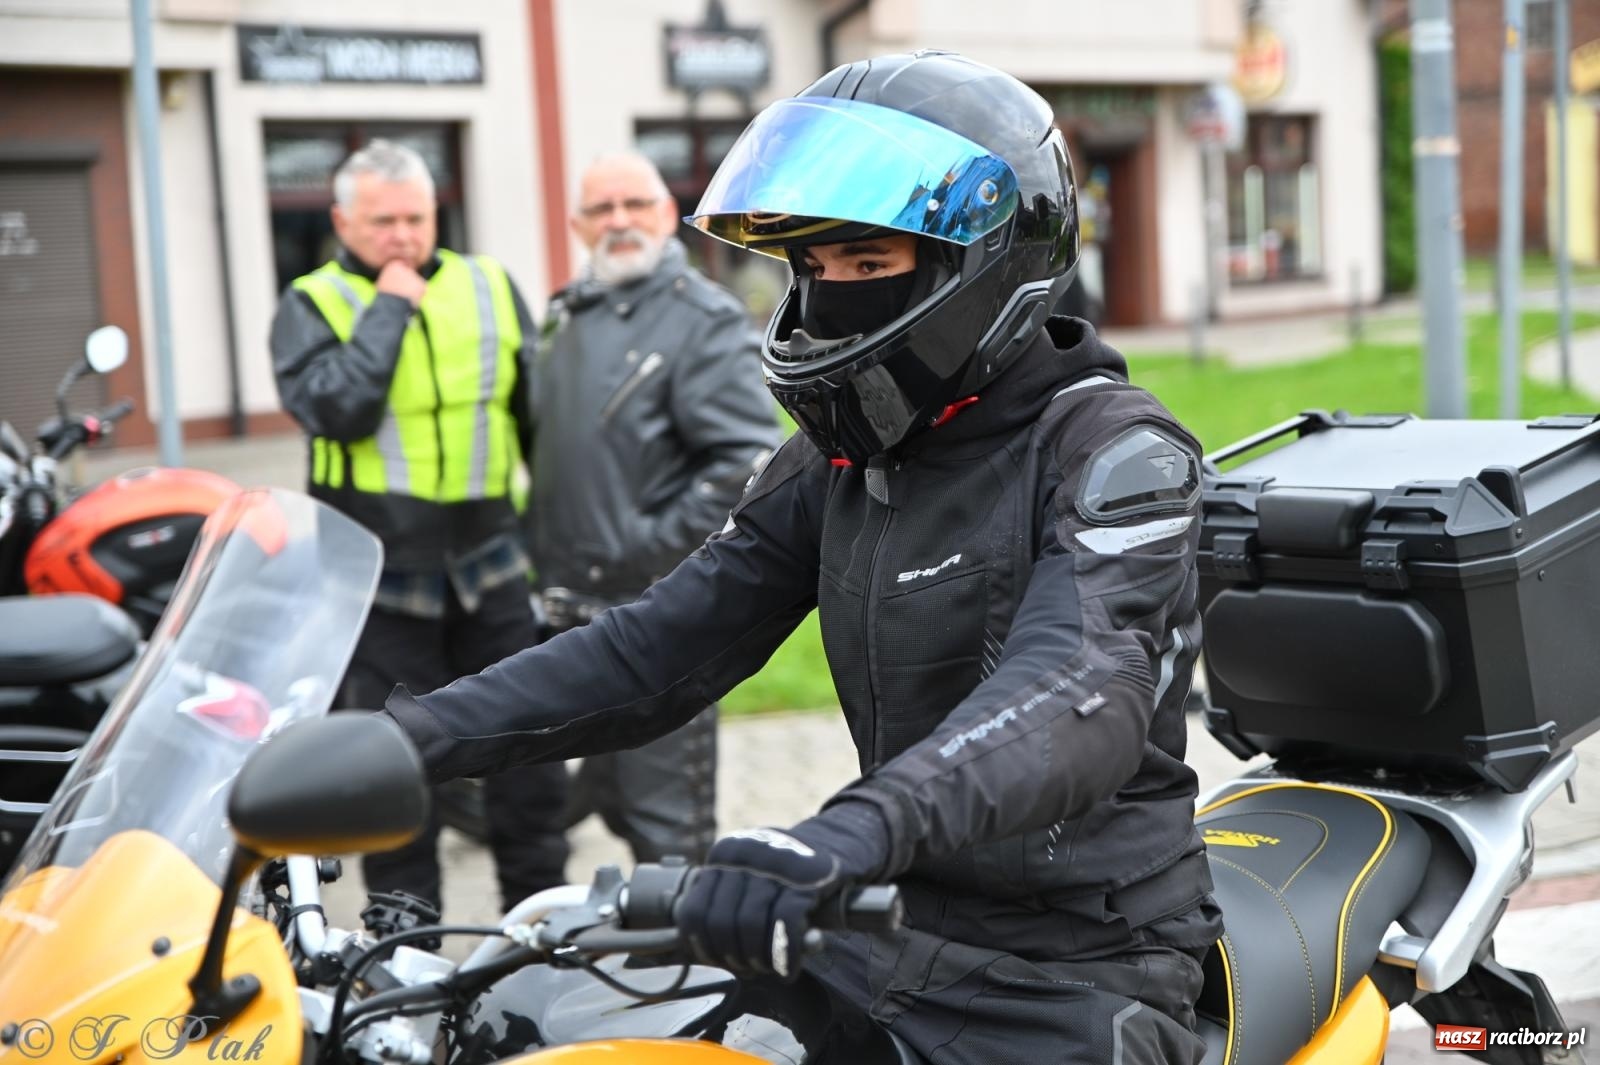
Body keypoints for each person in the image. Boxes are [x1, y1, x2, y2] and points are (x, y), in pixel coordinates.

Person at [382, 51, 1221, 1064]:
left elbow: (1074, 692)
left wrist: (845, 833)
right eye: (811, 269)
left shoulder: (1113, 453)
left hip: (1080, 963)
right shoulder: (842, 459)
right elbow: (659, 647)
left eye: (866, 267)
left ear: (990, 264)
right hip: (883, 923)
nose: (829, 299)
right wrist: (403, 741)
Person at [269, 139, 568, 915]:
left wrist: (546, 536)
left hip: (490, 563)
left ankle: (540, 932)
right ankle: (404, 959)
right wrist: (393, 304)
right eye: (383, 221)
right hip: (381, 577)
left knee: (528, 758)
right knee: (395, 773)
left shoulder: (490, 285)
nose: (403, 234)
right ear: (342, 220)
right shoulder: (312, 303)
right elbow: (337, 407)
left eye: (417, 217)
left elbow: (534, 420)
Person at [532, 152, 781, 864]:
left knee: (668, 837)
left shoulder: (701, 319)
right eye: (601, 209)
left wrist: (641, 547)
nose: (619, 222)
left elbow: (745, 463)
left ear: (667, 214)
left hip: (658, 621)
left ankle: (686, 974)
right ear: (577, 223)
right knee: (561, 808)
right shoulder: (565, 315)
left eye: (635, 204)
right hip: (566, 621)